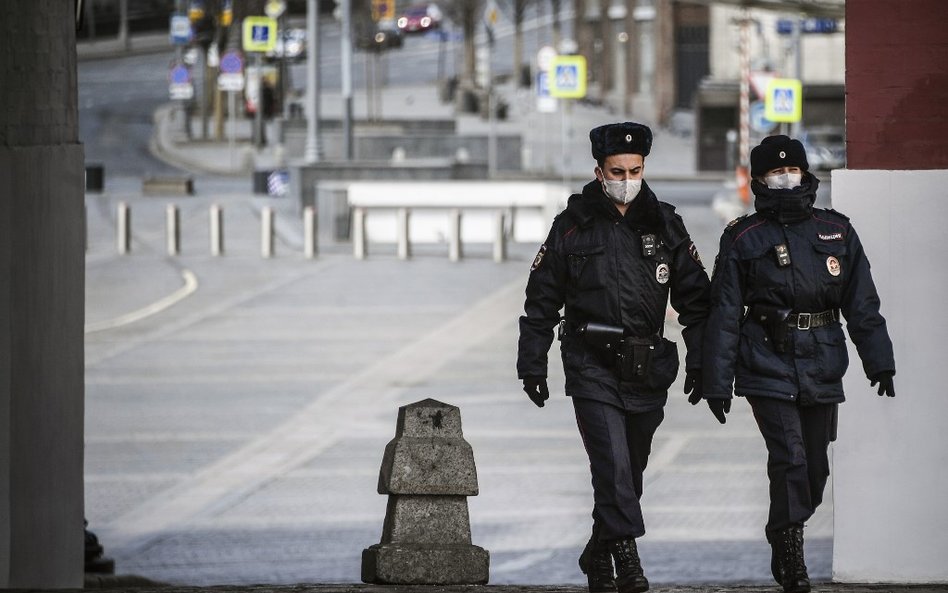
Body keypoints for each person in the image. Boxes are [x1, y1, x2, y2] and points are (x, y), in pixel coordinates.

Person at [517, 122, 711, 593]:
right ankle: (628, 558)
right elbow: (541, 300)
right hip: (591, 364)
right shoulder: (572, 225)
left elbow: (698, 302)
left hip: (647, 367)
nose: (627, 178)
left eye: (635, 169)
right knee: (613, 467)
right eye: (617, 170)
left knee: (631, 473)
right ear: (599, 171)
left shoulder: (665, 223)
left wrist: (704, 362)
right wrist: (533, 363)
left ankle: (596, 553)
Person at [699, 135, 896, 593]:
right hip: (766, 358)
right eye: (775, 173)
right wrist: (717, 382)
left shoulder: (837, 231)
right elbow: (725, 311)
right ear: (761, 179)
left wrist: (879, 361)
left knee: (814, 468)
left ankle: (783, 528)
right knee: (788, 457)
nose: (786, 179)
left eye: (793, 171)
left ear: (805, 175)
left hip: (823, 359)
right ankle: (790, 553)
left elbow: (862, 303)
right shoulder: (743, 237)